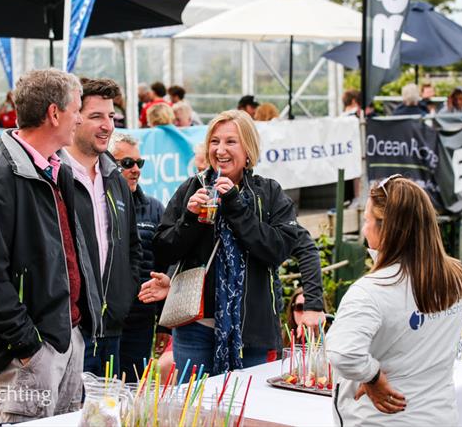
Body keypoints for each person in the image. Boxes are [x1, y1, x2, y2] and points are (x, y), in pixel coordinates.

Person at [0, 69, 101, 423]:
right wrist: (27, 346)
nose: (80, 119)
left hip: (66, 337)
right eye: (76, 110)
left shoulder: (59, 170)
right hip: (34, 350)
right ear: (54, 114)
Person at [145, 110, 324, 374]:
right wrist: (189, 219)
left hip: (252, 332)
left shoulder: (269, 193)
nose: (220, 149)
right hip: (195, 327)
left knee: (246, 409)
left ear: (248, 148)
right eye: (215, 141)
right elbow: (163, 249)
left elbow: (276, 250)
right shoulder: (192, 188)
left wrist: (235, 205)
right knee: (197, 410)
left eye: (231, 141)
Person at [326, 175, 462, 427]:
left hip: (383, 419)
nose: (363, 229)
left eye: (367, 220)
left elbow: (343, 352)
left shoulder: (371, 290)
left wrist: (373, 377)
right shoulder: (453, 278)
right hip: (438, 416)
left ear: (386, 229)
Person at [61, 78, 142, 379]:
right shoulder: (54, 176)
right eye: (97, 116)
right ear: (74, 117)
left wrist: (124, 296)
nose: (107, 125)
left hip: (111, 330)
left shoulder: (116, 180)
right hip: (71, 332)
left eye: (111, 116)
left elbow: (132, 246)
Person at [110, 133, 166, 382]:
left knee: (133, 392)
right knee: (100, 395)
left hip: (140, 321)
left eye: (139, 163)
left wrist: (164, 324)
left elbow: (166, 265)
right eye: (127, 163)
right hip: (103, 321)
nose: (135, 170)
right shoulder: (94, 203)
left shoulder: (154, 208)